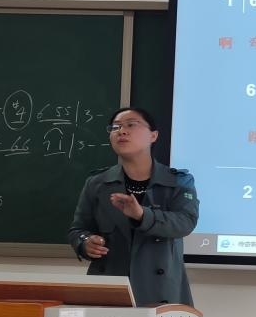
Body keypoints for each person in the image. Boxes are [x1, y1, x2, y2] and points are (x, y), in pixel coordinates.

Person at [67, 107, 199, 306]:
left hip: (160, 292)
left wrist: (142, 215)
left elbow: (185, 222)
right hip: (110, 288)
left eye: (131, 125)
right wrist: (85, 243)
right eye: (115, 127)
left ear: (153, 136)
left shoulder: (177, 181)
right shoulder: (98, 183)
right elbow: (78, 230)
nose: (122, 131)